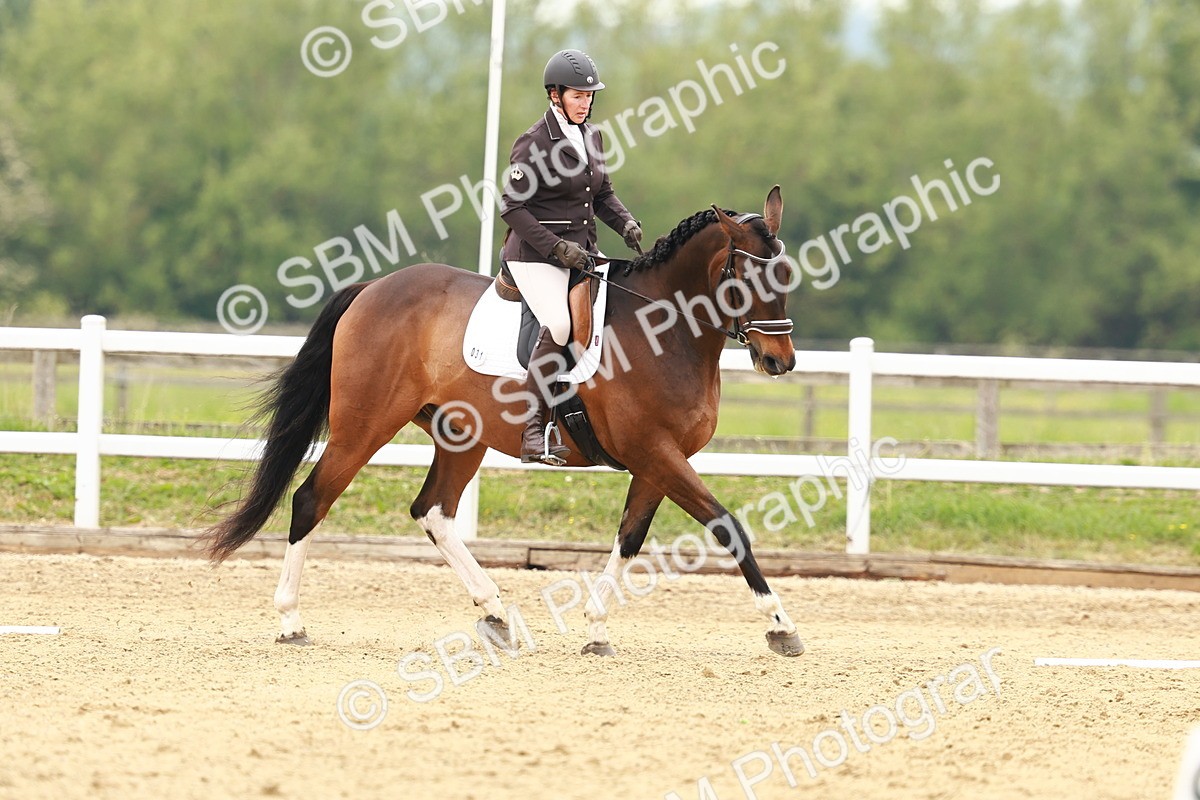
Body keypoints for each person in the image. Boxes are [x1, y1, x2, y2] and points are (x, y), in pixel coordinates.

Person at [499, 48, 643, 465]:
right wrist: (555, 247)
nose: (586, 102)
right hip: (535, 257)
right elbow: (512, 208)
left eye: (589, 96)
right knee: (560, 324)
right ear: (555, 95)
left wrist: (626, 224)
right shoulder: (534, 143)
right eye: (578, 96)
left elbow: (602, 195)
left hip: (582, 255)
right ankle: (531, 432)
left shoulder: (592, 136)